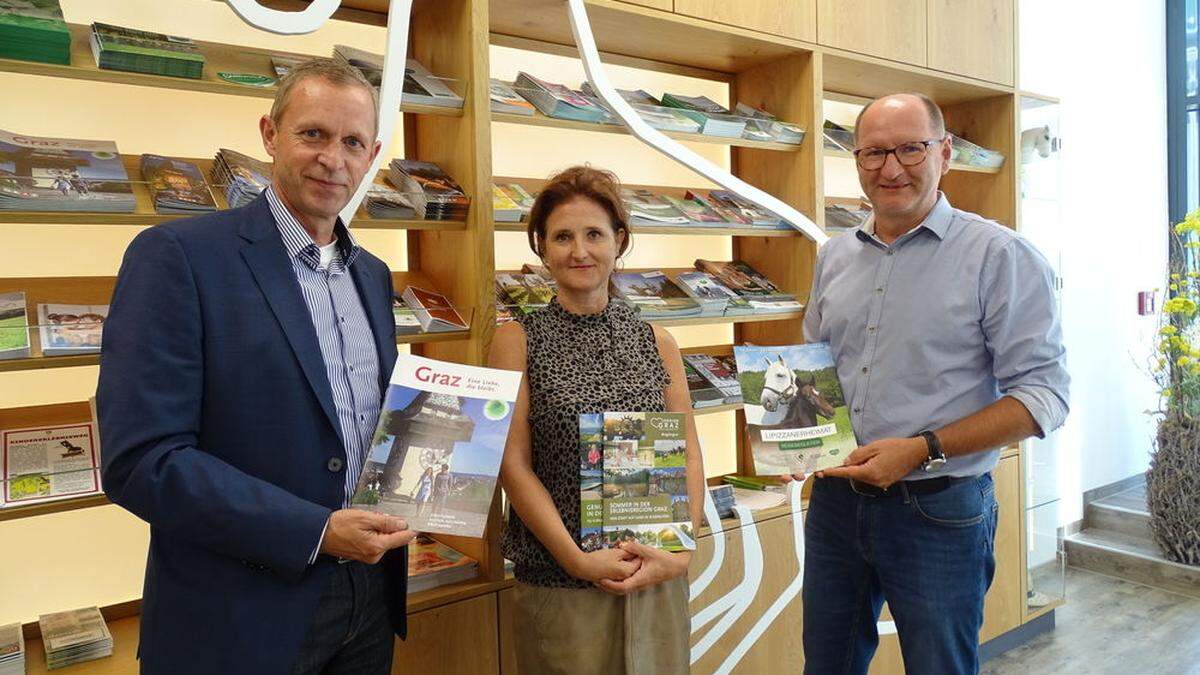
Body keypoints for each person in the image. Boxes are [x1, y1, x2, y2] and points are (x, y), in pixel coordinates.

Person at [97, 59, 415, 675]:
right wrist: (318, 530)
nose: (334, 159)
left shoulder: (372, 276)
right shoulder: (178, 257)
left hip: (368, 601)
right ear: (270, 135)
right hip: (238, 618)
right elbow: (142, 461)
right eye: (313, 134)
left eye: (353, 142)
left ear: (372, 153)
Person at [796, 92, 1070, 674]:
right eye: (873, 153)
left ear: (945, 154)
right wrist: (796, 439)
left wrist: (922, 449)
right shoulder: (833, 257)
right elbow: (817, 371)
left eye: (910, 149)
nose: (890, 168)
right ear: (856, 162)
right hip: (836, 505)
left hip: (938, 510)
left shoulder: (1001, 256)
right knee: (826, 665)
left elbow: (1044, 395)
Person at [490, 165, 705, 675]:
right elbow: (511, 464)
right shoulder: (516, 341)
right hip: (562, 587)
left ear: (620, 241)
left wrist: (681, 550)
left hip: (654, 577)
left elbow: (689, 451)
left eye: (594, 234)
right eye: (562, 237)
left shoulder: (656, 341)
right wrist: (576, 559)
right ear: (541, 247)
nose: (578, 251)